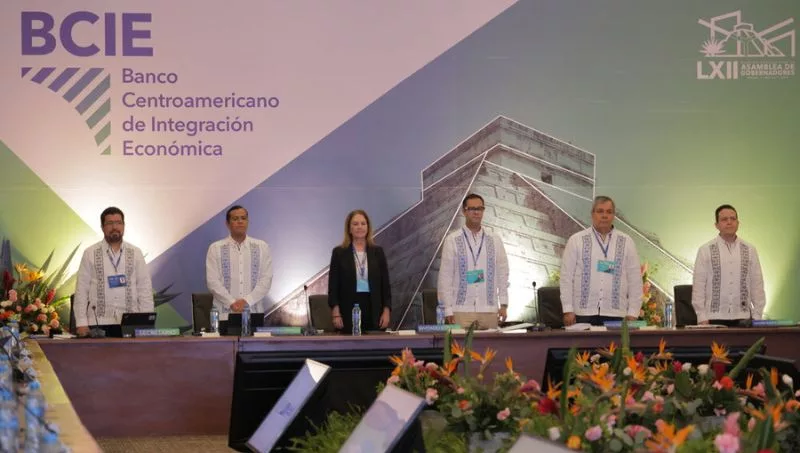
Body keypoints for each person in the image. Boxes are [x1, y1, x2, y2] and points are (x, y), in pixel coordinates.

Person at [560, 196, 642, 326]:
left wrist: (633, 312)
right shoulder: (576, 240)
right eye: (600, 211)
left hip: (616, 313)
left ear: (613, 216)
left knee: (615, 342)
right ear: (592, 214)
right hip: (583, 313)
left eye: (609, 212)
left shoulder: (627, 242)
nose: (604, 215)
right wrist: (568, 309)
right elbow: (566, 277)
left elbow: (635, 279)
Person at [74, 207, 154, 336]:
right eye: (110, 223)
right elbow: (81, 290)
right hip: (98, 322)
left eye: (118, 222)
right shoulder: (90, 253)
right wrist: (81, 323)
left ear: (123, 225)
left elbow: (144, 288)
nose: (114, 227)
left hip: (131, 321)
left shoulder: (135, 252)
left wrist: (146, 322)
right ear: (102, 227)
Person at [437, 194, 509, 330]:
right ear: (464, 211)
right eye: (472, 209)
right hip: (461, 310)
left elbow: (503, 273)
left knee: (491, 345)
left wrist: (504, 304)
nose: (476, 212)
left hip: (489, 309)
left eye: (480, 208)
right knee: (461, 345)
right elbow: (445, 277)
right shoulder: (452, 240)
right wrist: (447, 309)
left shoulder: (494, 239)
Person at [691, 204, 766, 326]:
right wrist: (701, 316)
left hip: (744, 317)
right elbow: (698, 286)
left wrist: (757, 315)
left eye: (733, 219)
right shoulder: (705, 250)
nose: (729, 222)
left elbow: (757, 284)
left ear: (738, 223)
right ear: (716, 225)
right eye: (724, 219)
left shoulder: (749, 250)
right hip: (713, 317)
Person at [328, 210, 392, 333]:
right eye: (355, 224)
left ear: (368, 227)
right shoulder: (339, 253)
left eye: (363, 223)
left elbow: (385, 285)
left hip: (374, 309)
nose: (359, 227)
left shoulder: (377, 252)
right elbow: (333, 286)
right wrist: (336, 313)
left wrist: (386, 310)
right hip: (348, 308)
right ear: (349, 228)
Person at [206, 205, 273, 321]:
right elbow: (212, 282)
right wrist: (232, 303)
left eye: (243, 218)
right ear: (227, 224)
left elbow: (266, 280)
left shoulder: (262, 247)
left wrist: (246, 301)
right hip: (224, 316)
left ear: (248, 222)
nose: (240, 222)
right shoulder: (215, 248)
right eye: (235, 219)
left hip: (254, 313)